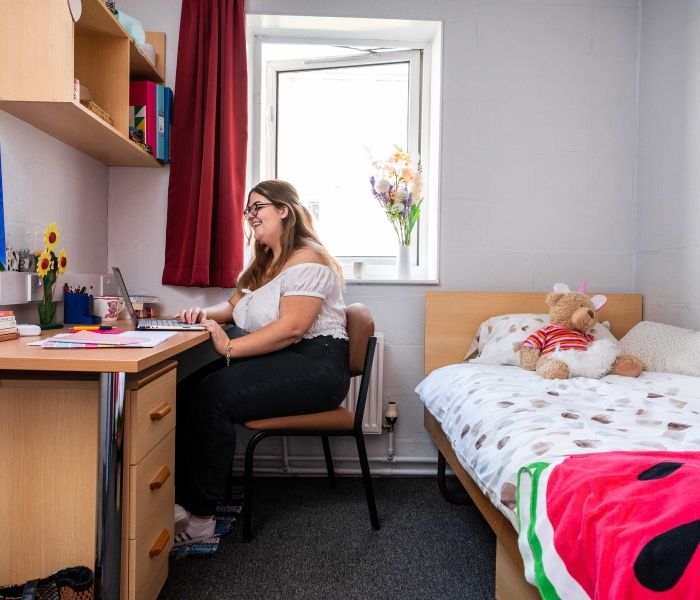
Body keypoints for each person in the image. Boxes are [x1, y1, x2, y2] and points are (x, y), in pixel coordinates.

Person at [172, 180, 351, 546]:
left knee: (213, 397)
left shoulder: (308, 258)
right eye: (247, 210)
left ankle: (202, 517)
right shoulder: (265, 262)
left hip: (318, 366)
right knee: (187, 387)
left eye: (258, 207)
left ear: (283, 210)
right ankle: (176, 499)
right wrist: (201, 313)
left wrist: (229, 350)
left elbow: (292, 328)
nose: (250, 215)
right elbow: (233, 308)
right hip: (288, 359)